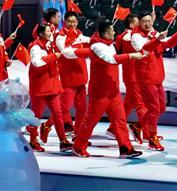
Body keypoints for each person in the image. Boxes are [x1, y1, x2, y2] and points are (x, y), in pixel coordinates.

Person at [72, 21, 145, 159]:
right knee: (90, 121)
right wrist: (130, 56)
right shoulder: (97, 46)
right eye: (112, 31)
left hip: (112, 90)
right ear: (106, 33)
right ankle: (78, 147)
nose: (114, 33)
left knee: (120, 120)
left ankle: (126, 148)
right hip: (100, 92)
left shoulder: (107, 44)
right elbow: (111, 60)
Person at [131, 12, 177, 151]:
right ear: (139, 23)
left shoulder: (154, 33)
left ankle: (138, 126)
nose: (147, 24)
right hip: (145, 77)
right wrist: (157, 39)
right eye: (144, 21)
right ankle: (152, 139)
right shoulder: (136, 36)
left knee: (161, 108)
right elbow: (143, 49)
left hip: (157, 75)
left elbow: (166, 45)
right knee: (154, 108)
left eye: (149, 21)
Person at [26, 23, 73, 153]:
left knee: (58, 114)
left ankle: (63, 141)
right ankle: (33, 141)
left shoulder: (49, 44)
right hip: (40, 86)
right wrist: (53, 57)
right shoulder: (35, 47)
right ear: (41, 34)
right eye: (47, 31)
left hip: (52, 84)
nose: (50, 33)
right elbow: (36, 63)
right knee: (36, 116)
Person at [55, 11, 89, 135]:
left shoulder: (80, 35)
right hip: (68, 76)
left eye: (74, 21)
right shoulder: (60, 36)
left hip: (81, 75)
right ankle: (47, 126)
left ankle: (78, 133)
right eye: (69, 21)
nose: (72, 24)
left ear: (77, 22)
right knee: (65, 106)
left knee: (82, 108)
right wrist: (88, 51)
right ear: (64, 22)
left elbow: (90, 40)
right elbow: (66, 53)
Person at [117, 13, 147, 144]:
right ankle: (148, 134)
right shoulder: (130, 37)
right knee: (141, 104)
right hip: (133, 74)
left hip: (132, 74)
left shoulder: (123, 36)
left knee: (129, 102)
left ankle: (114, 128)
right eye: (138, 22)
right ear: (131, 25)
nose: (140, 24)